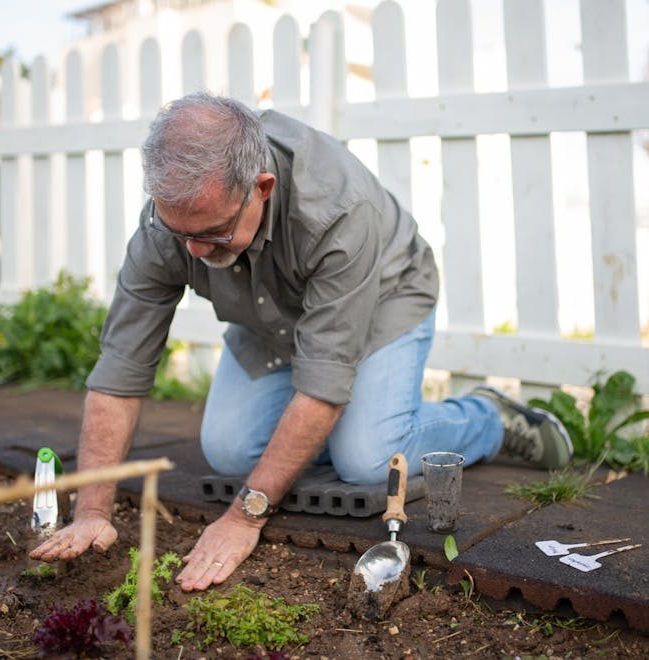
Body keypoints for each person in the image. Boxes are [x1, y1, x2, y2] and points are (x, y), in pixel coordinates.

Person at [29, 92, 572, 591]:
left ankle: (486, 418)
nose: (193, 252)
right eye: (180, 235)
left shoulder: (337, 208)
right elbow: (121, 368)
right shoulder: (168, 227)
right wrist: (93, 510)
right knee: (229, 451)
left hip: (381, 296)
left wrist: (245, 516)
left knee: (365, 459)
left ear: (260, 189)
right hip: (271, 312)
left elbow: (323, 385)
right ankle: (328, 438)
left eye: (213, 233)